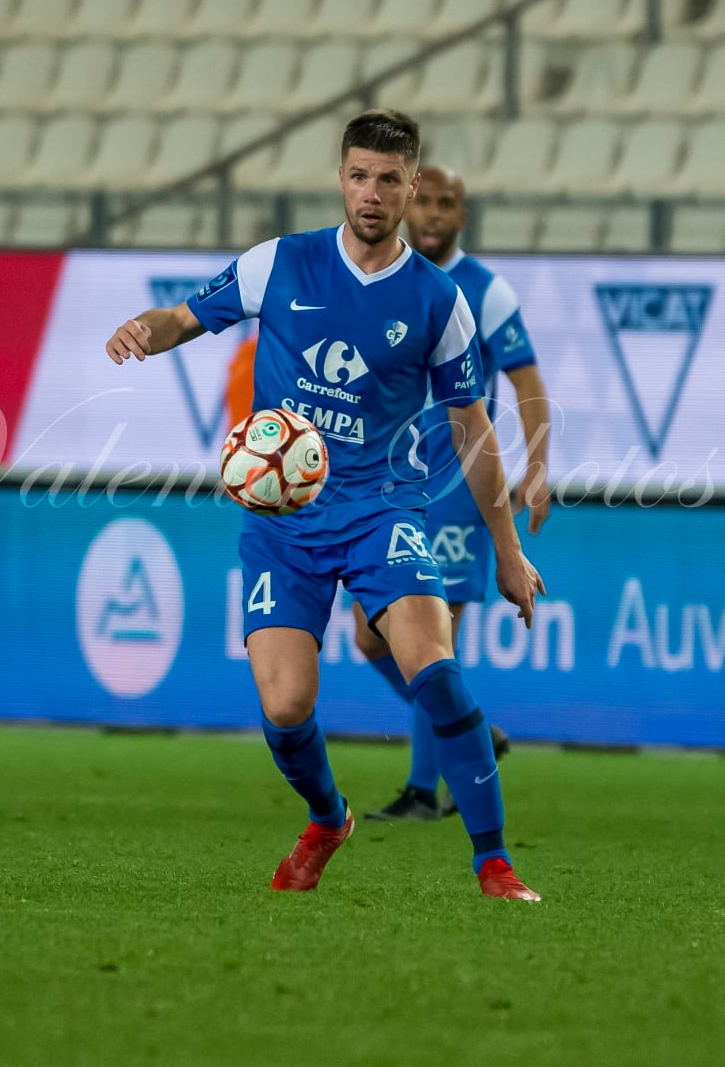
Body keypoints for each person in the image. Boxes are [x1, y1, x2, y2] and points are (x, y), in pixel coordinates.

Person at [104, 110, 544, 902]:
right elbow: (187, 316)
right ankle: (327, 817)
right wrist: (146, 328)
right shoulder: (282, 262)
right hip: (282, 522)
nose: (370, 193)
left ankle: (492, 862)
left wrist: (507, 552)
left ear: (412, 185)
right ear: (340, 177)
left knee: (436, 671)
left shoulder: (439, 301)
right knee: (285, 704)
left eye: (387, 179)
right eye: (357, 175)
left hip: (382, 511)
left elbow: (472, 428)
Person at [362, 167, 554, 822]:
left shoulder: (485, 291)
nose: (436, 215)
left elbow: (527, 381)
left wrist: (536, 468)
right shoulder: (387, 279)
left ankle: (422, 791)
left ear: (461, 215)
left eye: (450, 204)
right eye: (429, 202)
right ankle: (469, 728)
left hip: (455, 491)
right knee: (368, 639)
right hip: (388, 488)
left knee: (428, 644)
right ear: (410, 205)